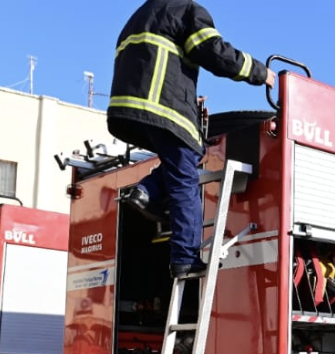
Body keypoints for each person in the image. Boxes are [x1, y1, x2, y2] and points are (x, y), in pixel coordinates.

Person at [108, 0, 275, 278]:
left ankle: (147, 191)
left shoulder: (142, 15)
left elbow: (153, 64)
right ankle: (185, 257)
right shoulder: (186, 10)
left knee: (181, 159)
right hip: (162, 106)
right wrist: (259, 72)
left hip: (129, 109)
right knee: (185, 176)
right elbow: (214, 52)